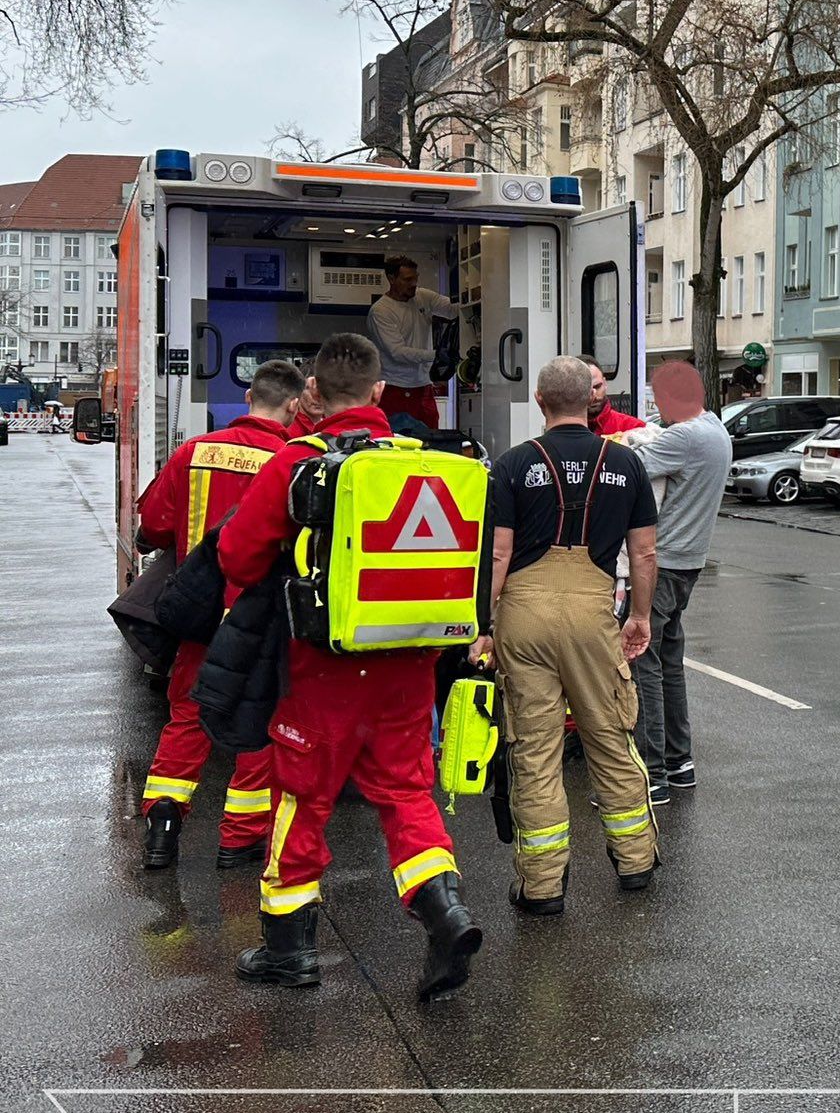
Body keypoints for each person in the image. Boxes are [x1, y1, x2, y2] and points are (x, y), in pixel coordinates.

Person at [216, 331, 482, 998]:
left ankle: (288, 951)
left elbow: (238, 560)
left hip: (322, 670)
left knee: (301, 797)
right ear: (381, 392)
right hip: (410, 663)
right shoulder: (422, 462)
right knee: (406, 794)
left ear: (312, 393)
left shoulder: (297, 462)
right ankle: (444, 911)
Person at [474, 355, 661, 913]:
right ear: (592, 399)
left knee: (534, 748)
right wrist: (640, 617)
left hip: (523, 619)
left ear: (539, 401)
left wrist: (484, 628)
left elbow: (499, 555)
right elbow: (645, 552)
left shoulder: (511, 465)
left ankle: (542, 885)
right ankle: (635, 862)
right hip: (591, 613)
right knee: (609, 734)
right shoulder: (625, 465)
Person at [137, 358, 305, 871]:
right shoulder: (292, 462)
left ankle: (163, 822)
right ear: (294, 406)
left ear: (248, 398)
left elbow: (156, 524)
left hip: (202, 613)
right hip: (259, 620)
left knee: (187, 717)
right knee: (257, 722)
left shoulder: (194, 451)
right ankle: (240, 839)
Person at [624, 361, 734, 804]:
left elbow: (630, 464)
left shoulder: (684, 438)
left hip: (662, 563)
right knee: (670, 660)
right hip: (690, 562)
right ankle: (679, 761)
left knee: (642, 660)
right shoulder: (714, 430)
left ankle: (650, 773)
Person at [364, 256, 457, 429]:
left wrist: (477, 295)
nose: (413, 283)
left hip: (423, 384)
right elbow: (397, 352)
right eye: (407, 279)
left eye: (415, 278)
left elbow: (454, 310)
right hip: (394, 387)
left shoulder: (423, 297)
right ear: (391, 279)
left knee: (431, 439)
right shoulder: (381, 311)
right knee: (395, 441)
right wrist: (436, 355)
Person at [581, 354, 646, 437]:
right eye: (586, 390)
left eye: (597, 387)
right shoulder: (563, 432)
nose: (594, 395)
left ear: (605, 383)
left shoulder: (634, 428)